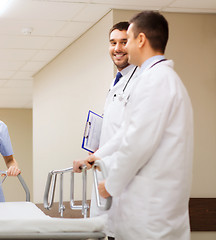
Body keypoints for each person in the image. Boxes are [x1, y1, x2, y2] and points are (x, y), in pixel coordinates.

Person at [75, 11, 193, 239]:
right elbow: (128, 132)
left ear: (140, 40)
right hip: (149, 211)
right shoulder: (156, 79)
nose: (123, 47)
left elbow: (136, 143)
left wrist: (111, 185)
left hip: (151, 212)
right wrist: (98, 156)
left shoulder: (156, 81)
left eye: (127, 39)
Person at [74, 21, 139, 239]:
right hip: (106, 174)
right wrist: (96, 153)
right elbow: (114, 130)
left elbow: (133, 133)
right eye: (113, 42)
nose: (117, 48)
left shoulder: (140, 80)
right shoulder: (116, 82)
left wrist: (95, 156)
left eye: (123, 42)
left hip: (125, 181)